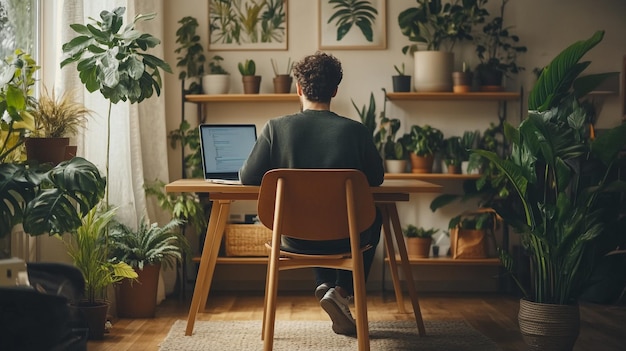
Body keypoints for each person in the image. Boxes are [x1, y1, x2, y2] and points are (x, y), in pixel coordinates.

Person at [239, 51, 384, 335]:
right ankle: (340, 290)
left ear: (299, 88)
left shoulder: (276, 128)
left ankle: (325, 285)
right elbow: (376, 179)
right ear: (335, 90)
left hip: (293, 238)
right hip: (346, 238)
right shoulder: (357, 131)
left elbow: (247, 178)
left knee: (312, 221)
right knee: (373, 217)